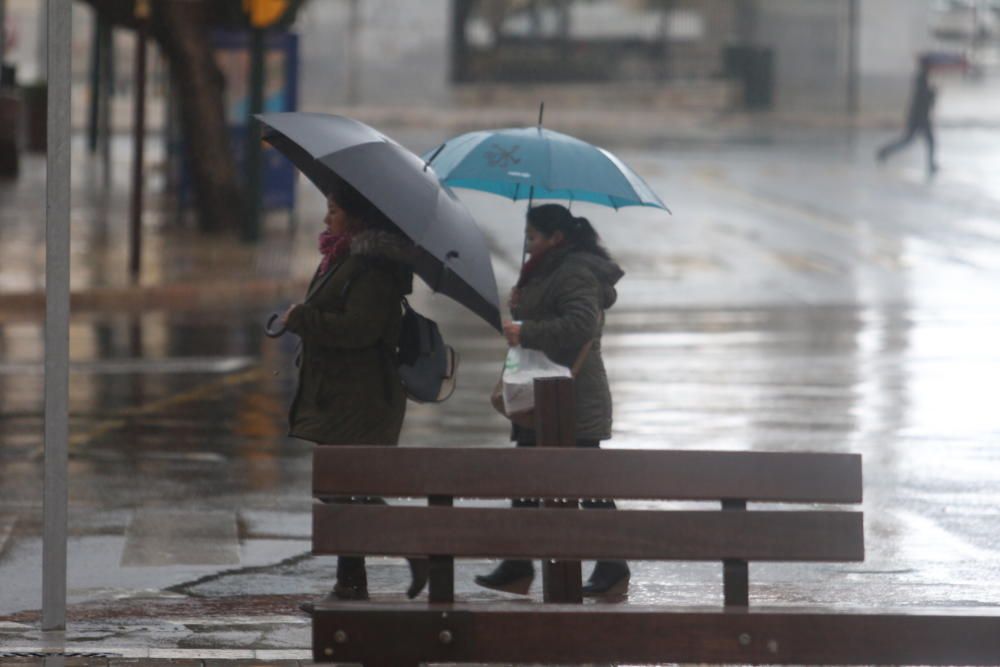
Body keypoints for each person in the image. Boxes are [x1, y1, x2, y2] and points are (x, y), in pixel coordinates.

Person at [279, 178, 428, 608]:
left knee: (345, 489)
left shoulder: (374, 266)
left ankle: (401, 559)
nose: (327, 217)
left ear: (357, 217)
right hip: (341, 393)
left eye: (334, 210)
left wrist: (304, 319)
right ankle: (359, 580)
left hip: (363, 397)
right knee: (341, 490)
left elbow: (359, 329)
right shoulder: (342, 257)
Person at [474, 203, 628, 597]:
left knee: (585, 482)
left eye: (532, 237)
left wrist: (525, 330)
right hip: (541, 391)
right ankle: (518, 564)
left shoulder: (574, 270)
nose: (527, 245)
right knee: (527, 475)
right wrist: (521, 304)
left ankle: (612, 564)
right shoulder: (549, 269)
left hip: (571, 395)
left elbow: (580, 324)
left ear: (556, 238)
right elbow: (552, 313)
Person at [877, 55, 939, 175]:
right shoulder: (921, 78)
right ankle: (884, 151)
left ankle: (931, 164)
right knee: (910, 141)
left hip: (920, 116)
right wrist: (933, 94)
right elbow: (923, 98)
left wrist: (931, 93)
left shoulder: (923, 78)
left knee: (923, 141)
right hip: (919, 117)